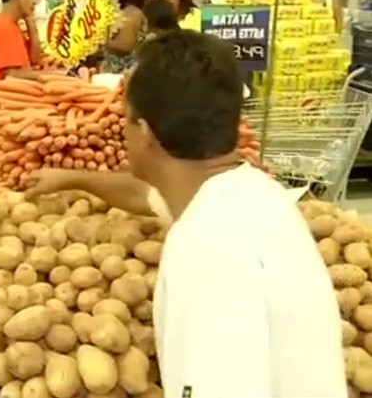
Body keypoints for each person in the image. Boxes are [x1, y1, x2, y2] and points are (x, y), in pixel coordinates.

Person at [26, 30, 347, 398]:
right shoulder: (253, 195)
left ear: (144, 132)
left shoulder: (204, 250)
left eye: (125, 118)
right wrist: (72, 179)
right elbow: (147, 195)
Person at [101, 0, 146, 73]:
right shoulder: (134, 12)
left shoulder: (130, 13)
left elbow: (125, 45)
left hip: (123, 70)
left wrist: (101, 42)